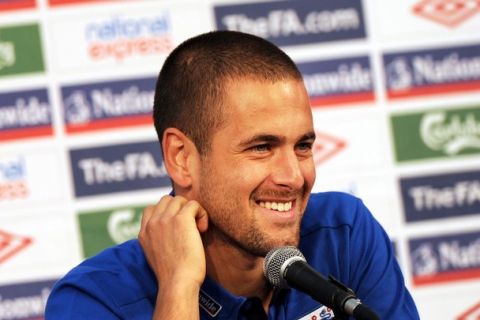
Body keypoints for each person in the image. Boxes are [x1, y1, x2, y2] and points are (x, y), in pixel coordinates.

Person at [45, 30, 420, 319]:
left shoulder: (344, 235)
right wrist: (178, 288)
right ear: (181, 159)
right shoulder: (93, 299)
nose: (294, 176)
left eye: (303, 146)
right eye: (261, 147)